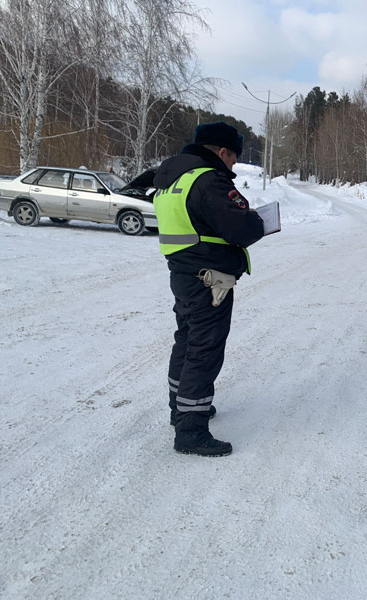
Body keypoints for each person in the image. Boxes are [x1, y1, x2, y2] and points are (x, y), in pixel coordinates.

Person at [153, 122, 264, 457]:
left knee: (187, 340)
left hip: (185, 275)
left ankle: (181, 406)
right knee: (204, 349)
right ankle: (191, 429)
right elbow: (244, 229)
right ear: (221, 151)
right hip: (209, 280)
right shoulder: (208, 181)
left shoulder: (172, 180)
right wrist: (257, 220)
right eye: (233, 157)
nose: (232, 165)